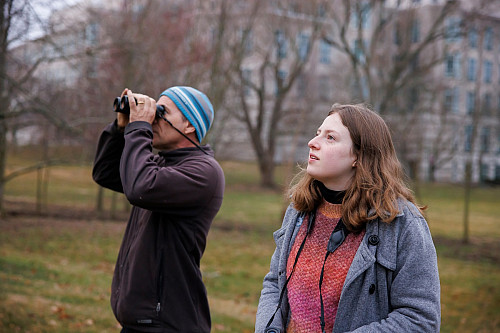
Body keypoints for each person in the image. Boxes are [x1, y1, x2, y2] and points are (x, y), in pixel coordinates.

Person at [255, 104, 440, 333]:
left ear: (359, 156)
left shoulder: (402, 224)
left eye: (330, 137)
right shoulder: (299, 209)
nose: (313, 142)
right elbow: (275, 282)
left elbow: (419, 320)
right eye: (317, 133)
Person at [93, 86, 225, 332]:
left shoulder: (204, 172)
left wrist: (139, 128)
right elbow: (106, 173)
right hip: (142, 322)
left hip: (168, 323)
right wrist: (121, 128)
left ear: (188, 126)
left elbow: (139, 187)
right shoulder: (161, 164)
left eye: (161, 113)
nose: (153, 118)